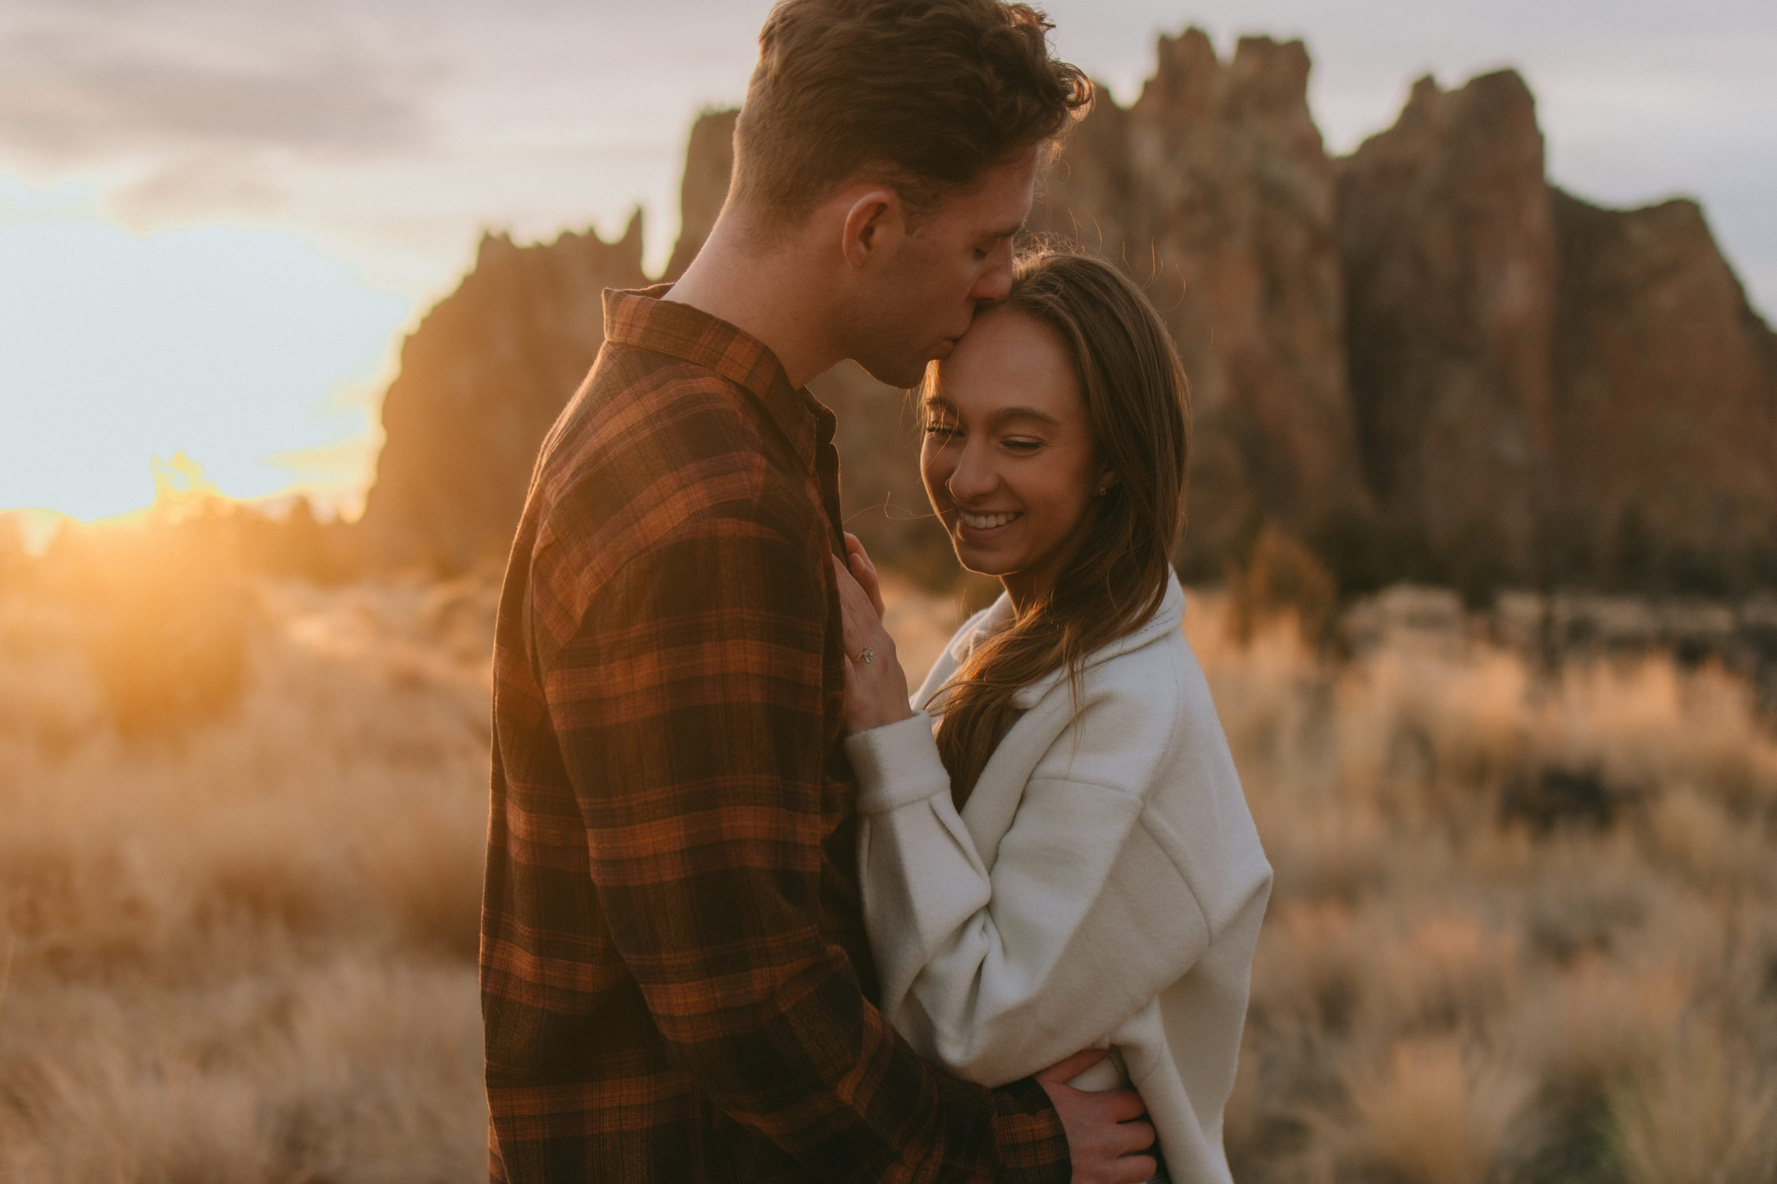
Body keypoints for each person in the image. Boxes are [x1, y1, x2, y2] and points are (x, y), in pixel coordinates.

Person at [480, 2, 1161, 1181]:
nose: (1001, 285)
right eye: (985, 243)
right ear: (870, 226)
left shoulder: (682, 429)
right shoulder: (708, 501)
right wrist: (1007, 1151)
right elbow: (751, 1006)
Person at [832, 250, 1274, 1184]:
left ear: (1113, 463)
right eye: (946, 425)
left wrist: (883, 727)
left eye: (1021, 442)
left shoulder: (1128, 715)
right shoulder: (1011, 638)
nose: (965, 477)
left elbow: (968, 1024)